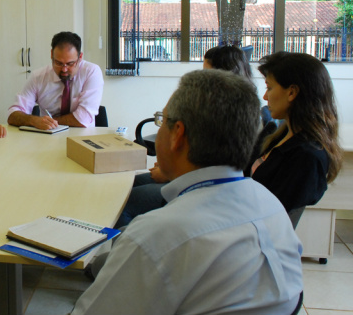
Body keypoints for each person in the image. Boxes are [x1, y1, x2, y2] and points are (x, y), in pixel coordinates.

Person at [72, 69, 303, 315]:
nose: (159, 128)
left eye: (162, 120)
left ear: (177, 134)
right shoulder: (271, 206)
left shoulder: (155, 236)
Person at [115, 45, 254, 228]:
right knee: (124, 186)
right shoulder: (230, 107)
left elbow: (211, 168)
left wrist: (171, 174)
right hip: (189, 177)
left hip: (201, 187)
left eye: (207, 74)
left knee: (125, 202)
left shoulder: (229, 116)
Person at [247, 51, 342, 212]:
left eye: (269, 88)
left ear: (292, 92)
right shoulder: (281, 135)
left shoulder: (305, 157)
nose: (264, 96)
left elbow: (272, 217)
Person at [7, 31, 103, 130]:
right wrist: (34, 121)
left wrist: (50, 122)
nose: (64, 69)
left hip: (82, 137)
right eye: (58, 63)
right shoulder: (38, 77)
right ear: (52, 54)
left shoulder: (91, 72)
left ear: (80, 57)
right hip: (47, 137)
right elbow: (12, 115)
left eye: (70, 64)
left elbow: (83, 119)